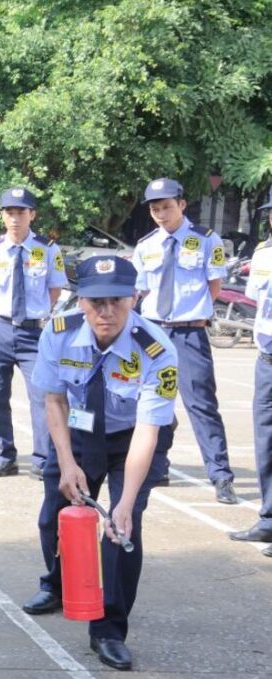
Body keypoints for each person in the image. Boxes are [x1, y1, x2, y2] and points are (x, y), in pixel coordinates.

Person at [20, 256, 177, 671]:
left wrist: (124, 503)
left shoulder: (157, 350)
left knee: (122, 530)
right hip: (78, 432)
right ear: (80, 302)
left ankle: (108, 629)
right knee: (55, 516)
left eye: (116, 301)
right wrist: (68, 462)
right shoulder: (59, 332)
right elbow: (52, 398)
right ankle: (58, 584)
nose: (106, 312)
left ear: (134, 298)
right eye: (95, 302)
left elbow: (147, 430)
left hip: (133, 439)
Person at [131, 178, 237, 504]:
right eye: (154, 209)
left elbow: (214, 285)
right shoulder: (146, 245)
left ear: (182, 204)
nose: (161, 214)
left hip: (190, 332)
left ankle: (220, 476)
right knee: (153, 402)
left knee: (202, 404)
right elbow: (140, 291)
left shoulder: (206, 240)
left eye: (166, 207)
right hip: (153, 332)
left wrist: (194, 314)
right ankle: (157, 466)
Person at [0, 187, 67, 479]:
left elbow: (54, 289)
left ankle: (41, 459)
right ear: (2, 215)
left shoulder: (48, 249)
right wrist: (2, 315)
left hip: (33, 334)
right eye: (9, 212)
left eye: (21, 212)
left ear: (32, 215)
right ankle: (5, 455)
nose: (15, 218)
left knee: (42, 397)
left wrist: (32, 315)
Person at [230, 189, 272, 555]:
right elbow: (257, 302)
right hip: (267, 361)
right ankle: (269, 519)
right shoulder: (263, 254)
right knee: (266, 442)